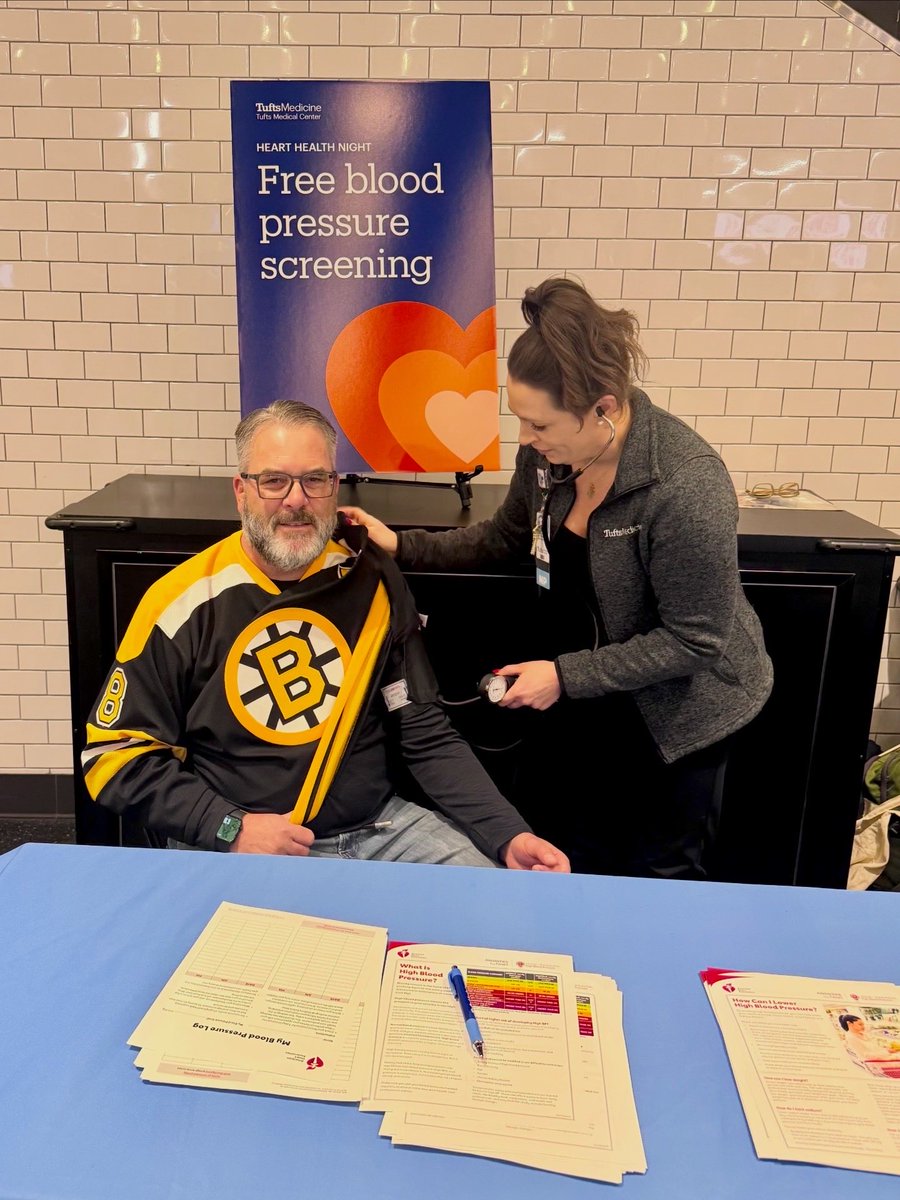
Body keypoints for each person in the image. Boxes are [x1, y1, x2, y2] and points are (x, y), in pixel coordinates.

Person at [342, 277, 773, 880]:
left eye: (540, 425)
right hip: (589, 689)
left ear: (605, 408)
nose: (526, 439)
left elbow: (696, 641)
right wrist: (402, 544)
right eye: (520, 419)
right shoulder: (549, 458)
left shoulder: (684, 485)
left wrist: (565, 676)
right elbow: (502, 538)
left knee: (658, 876)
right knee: (571, 852)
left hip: (678, 712)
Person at [82, 400, 569, 872]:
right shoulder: (180, 602)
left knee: (496, 909)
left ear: (334, 488)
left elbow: (424, 734)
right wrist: (230, 828)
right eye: (274, 480)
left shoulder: (371, 579)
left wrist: (508, 833)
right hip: (236, 843)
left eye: (315, 479)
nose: (297, 499)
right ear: (241, 491)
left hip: (382, 831)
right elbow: (113, 758)